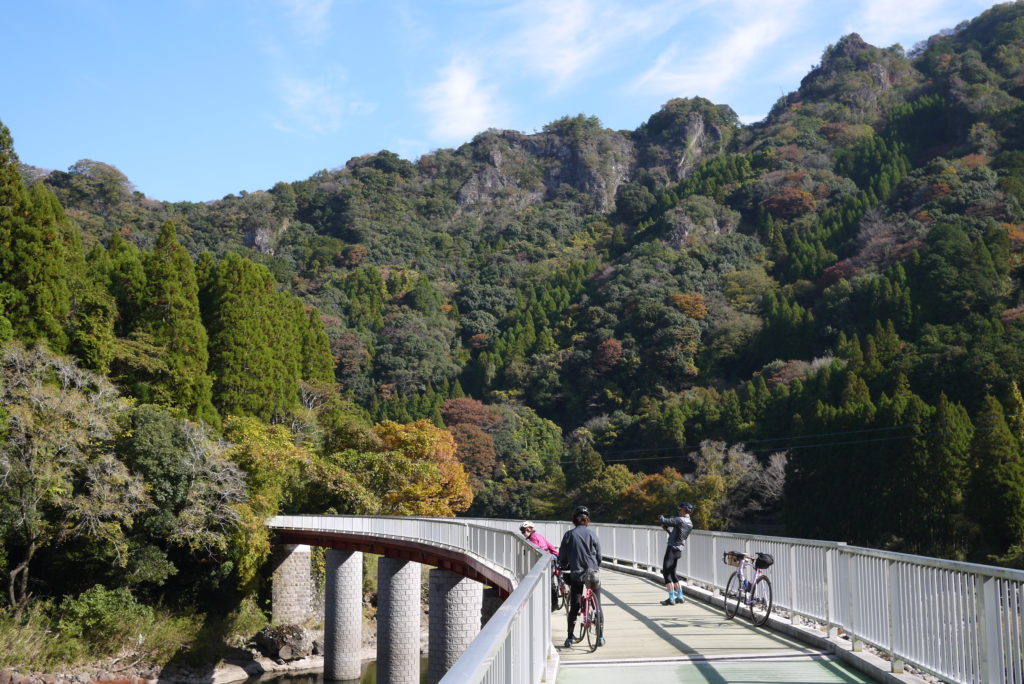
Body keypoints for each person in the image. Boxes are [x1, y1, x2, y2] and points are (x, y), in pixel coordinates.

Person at [558, 505, 604, 648]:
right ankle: (600, 637)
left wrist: (563, 565)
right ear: (587, 520)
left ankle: (569, 638)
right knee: (598, 605)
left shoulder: (569, 535)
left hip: (577, 573)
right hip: (593, 572)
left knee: (575, 605)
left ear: (574, 520)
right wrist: (596, 566)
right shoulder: (592, 534)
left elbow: (562, 556)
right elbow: (599, 556)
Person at [657, 502, 694, 605]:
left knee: (666, 573)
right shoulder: (690, 523)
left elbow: (664, 520)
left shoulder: (680, 520)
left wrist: (660, 516)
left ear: (684, 509)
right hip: (678, 550)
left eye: (680, 509)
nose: (678, 511)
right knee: (673, 574)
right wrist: (667, 530)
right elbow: (678, 536)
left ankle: (671, 598)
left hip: (671, 549)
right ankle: (680, 597)